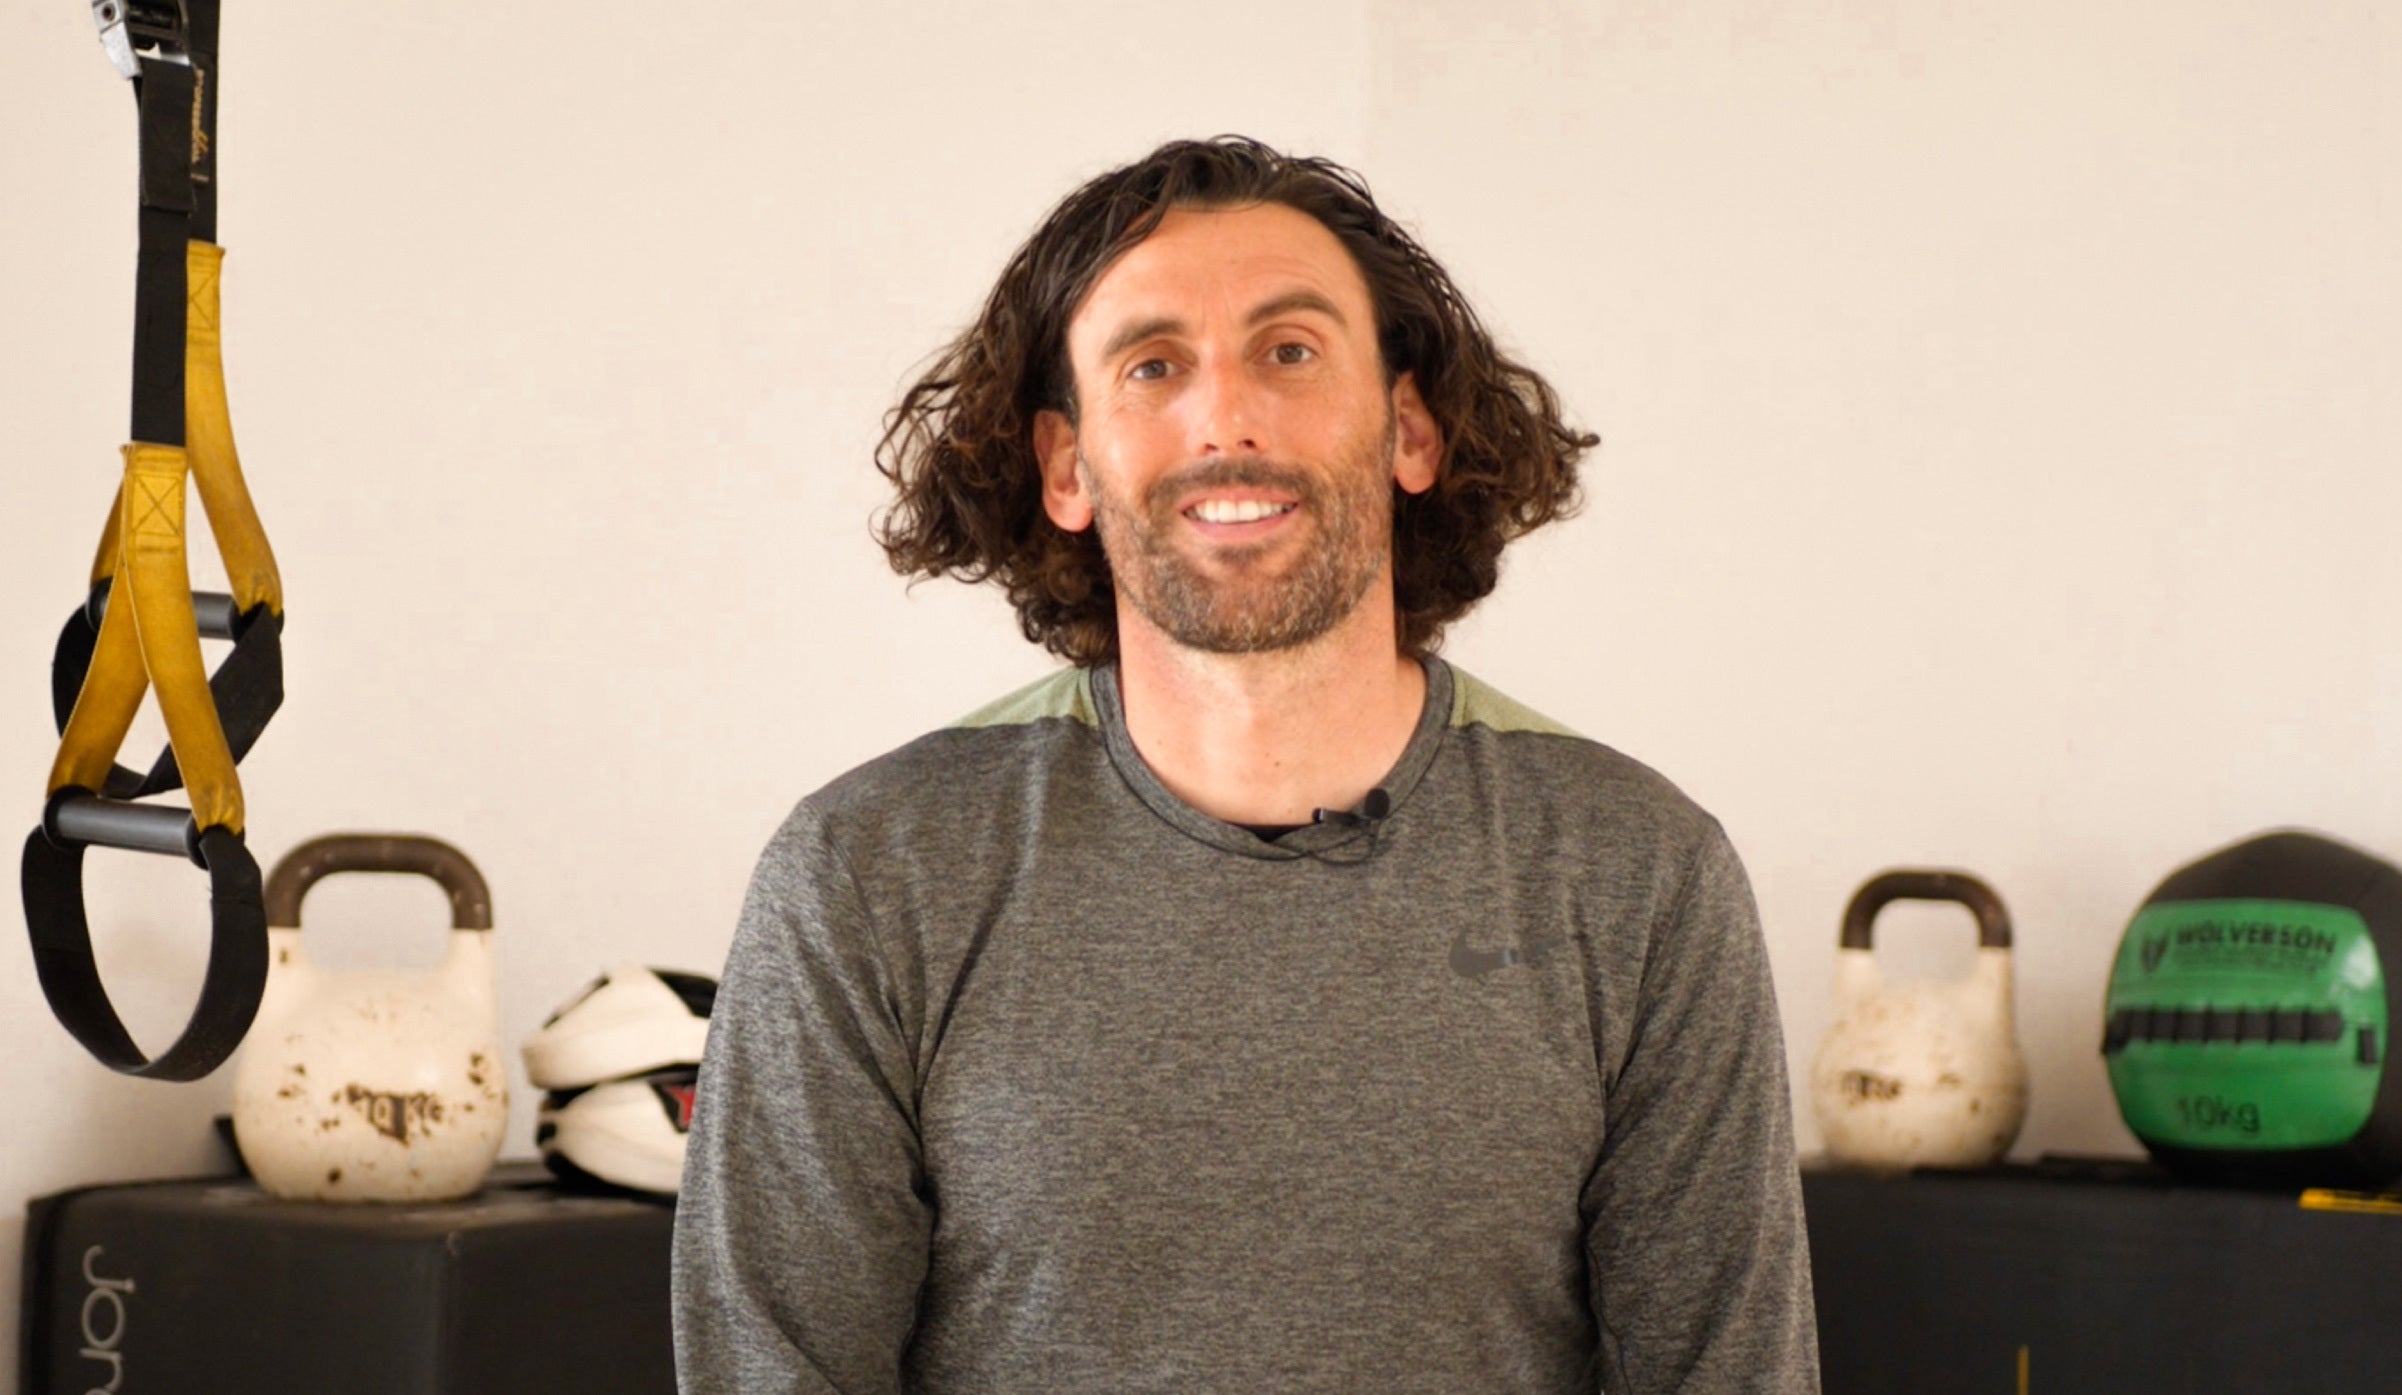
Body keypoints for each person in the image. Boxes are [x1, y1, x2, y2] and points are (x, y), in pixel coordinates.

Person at [673, 136, 1819, 1395]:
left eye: (1289, 351)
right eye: (1152, 366)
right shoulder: (867, 875)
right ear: (1065, 466)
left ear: (1409, 429)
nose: (1225, 418)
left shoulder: (1638, 873)